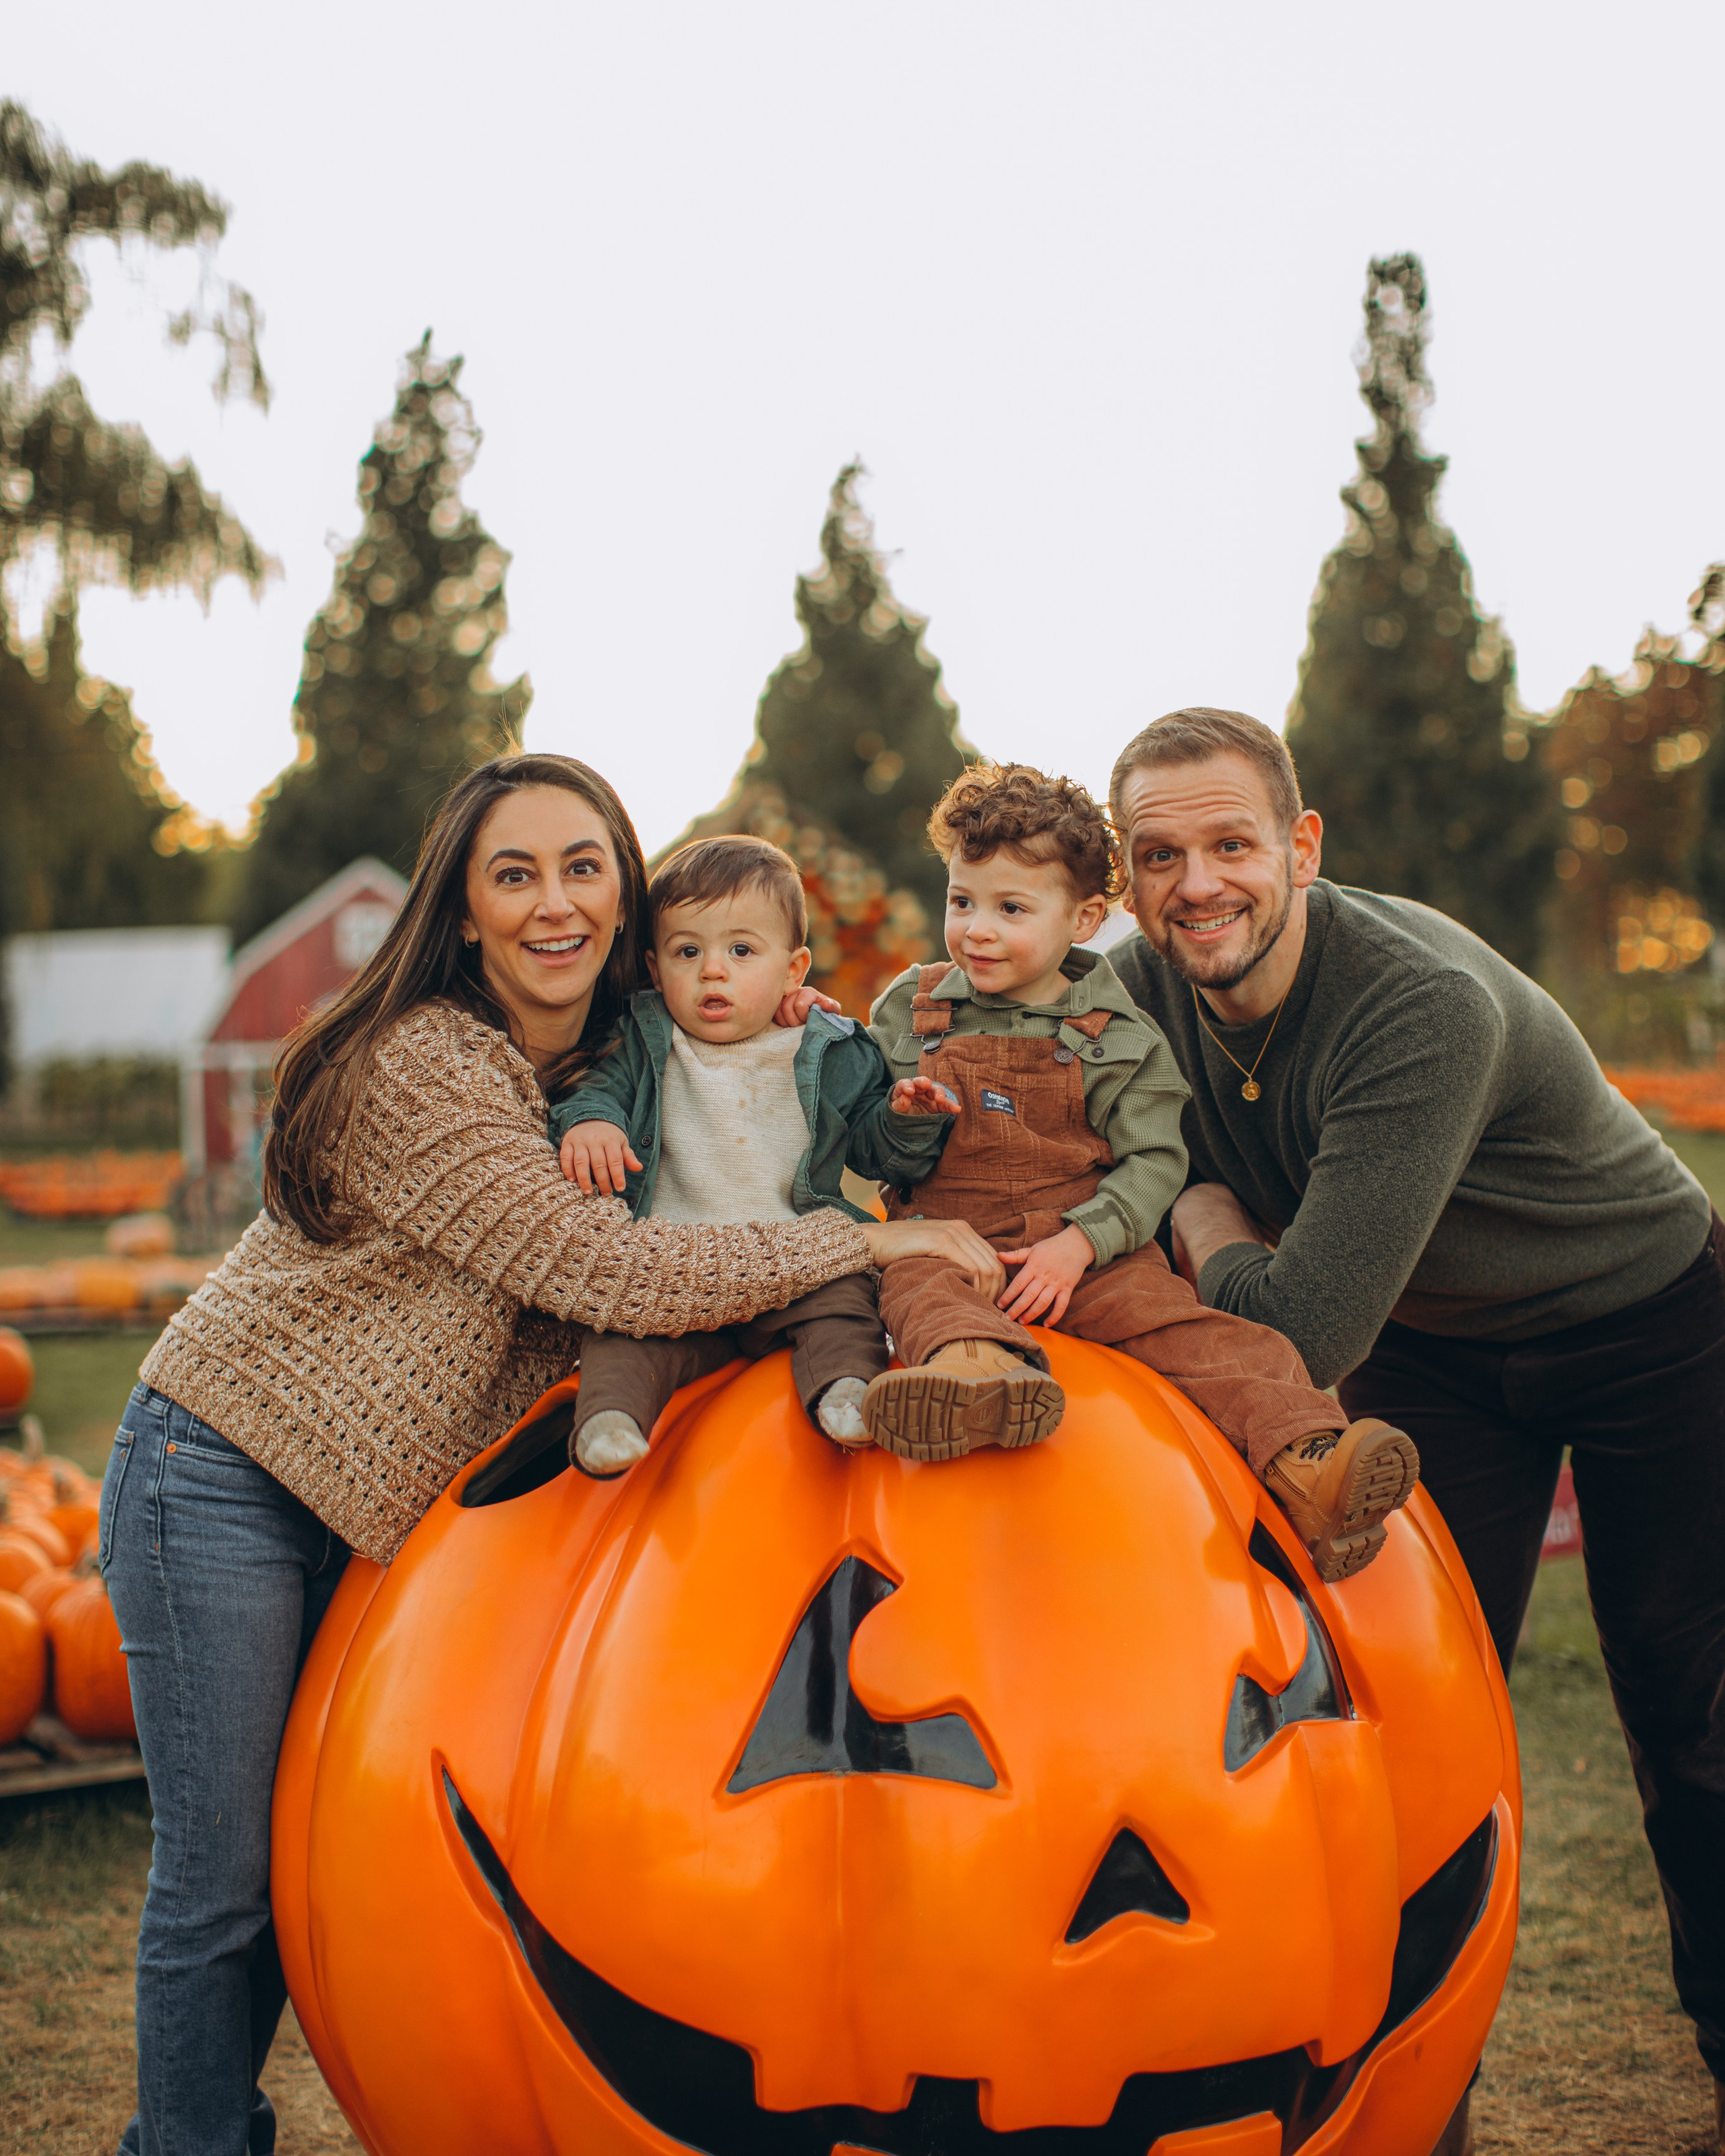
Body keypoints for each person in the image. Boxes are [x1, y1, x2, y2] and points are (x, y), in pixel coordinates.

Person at [98, 753, 1001, 2156]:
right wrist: (864, 1241)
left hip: (374, 1500)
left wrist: (784, 1041)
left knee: (301, 1865)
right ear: (462, 912)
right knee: (223, 1887)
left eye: (584, 867)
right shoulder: (428, 1064)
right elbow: (602, 1265)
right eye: (513, 874)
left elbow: (731, 1166)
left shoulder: (625, 1061)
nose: (553, 902)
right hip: (225, 1471)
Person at [1105, 705, 1725, 2151]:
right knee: (1383, 1717)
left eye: (1228, 844)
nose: (1196, 883)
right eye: (1157, 854)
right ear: (1123, 879)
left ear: (1299, 847)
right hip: (1436, 1356)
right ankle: (1400, 2102)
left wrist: (1191, 1200)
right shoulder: (1125, 994)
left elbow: (1305, 1325)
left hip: (1643, 1321)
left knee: (1685, 1713)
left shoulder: (1416, 1005)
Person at [858, 762, 1419, 1581]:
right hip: (955, 1238)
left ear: (1084, 917)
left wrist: (1082, 1245)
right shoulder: (912, 1008)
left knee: (1201, 1336)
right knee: (914, 1286)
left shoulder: (1120, 1032)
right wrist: (901, 1121)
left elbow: (1157, 1158)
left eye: (1010, 908)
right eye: (961, 900)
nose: (976, 928)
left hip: (1088, 1253)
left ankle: (1310, 1459)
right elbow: (867, 1152)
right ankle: (975, 1375)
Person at [551, 834, 961, 1474]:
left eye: (742, 951)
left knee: (845, 1306)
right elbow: (595, 1089)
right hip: (675, 1273)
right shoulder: (644, 1037)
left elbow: (874, 1153)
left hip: (800, 1261)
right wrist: (593, 1122)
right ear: (657, 970)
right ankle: (611, 1423)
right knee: (619, 1335)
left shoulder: (829, 1048)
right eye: (689, 952)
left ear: (794, 971)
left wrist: (904, 1119)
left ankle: (847, 1395)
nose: (714, 970)